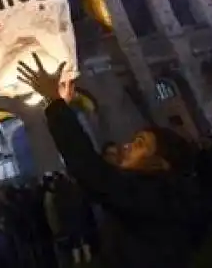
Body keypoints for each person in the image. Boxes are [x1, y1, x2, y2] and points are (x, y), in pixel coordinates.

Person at [18, 53, 197, 268]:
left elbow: (90, 169)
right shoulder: (161, 195)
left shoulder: (154, 195)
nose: (127, 146)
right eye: (133, 141)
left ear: (162, 162)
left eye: (140, 144)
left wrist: (55, 105)